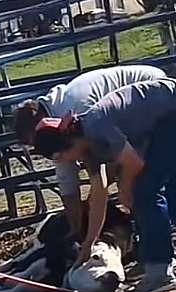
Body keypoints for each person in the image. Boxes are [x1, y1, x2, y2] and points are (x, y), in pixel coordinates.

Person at [32, 77, 176, 292]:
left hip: (170, 110)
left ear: (62, 151)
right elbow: (98, 195)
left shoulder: (96, 128)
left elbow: (134, 163)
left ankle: (160, 271)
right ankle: (157, 260)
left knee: (145, 191)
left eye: (63, 158)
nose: (69, 162)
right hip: (165, 114)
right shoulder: (87, 145)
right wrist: (89, 243)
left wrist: (126, 188)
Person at [14, 64, 168, 236]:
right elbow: (67, 179)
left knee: (143, 184)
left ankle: (156, 247)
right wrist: (76, 230)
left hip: (151, 95)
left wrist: (119, 185)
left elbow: (105, 171)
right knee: (137, 180)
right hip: (136, 110)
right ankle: (150, 236)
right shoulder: (59, 130)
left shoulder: (80, 110)